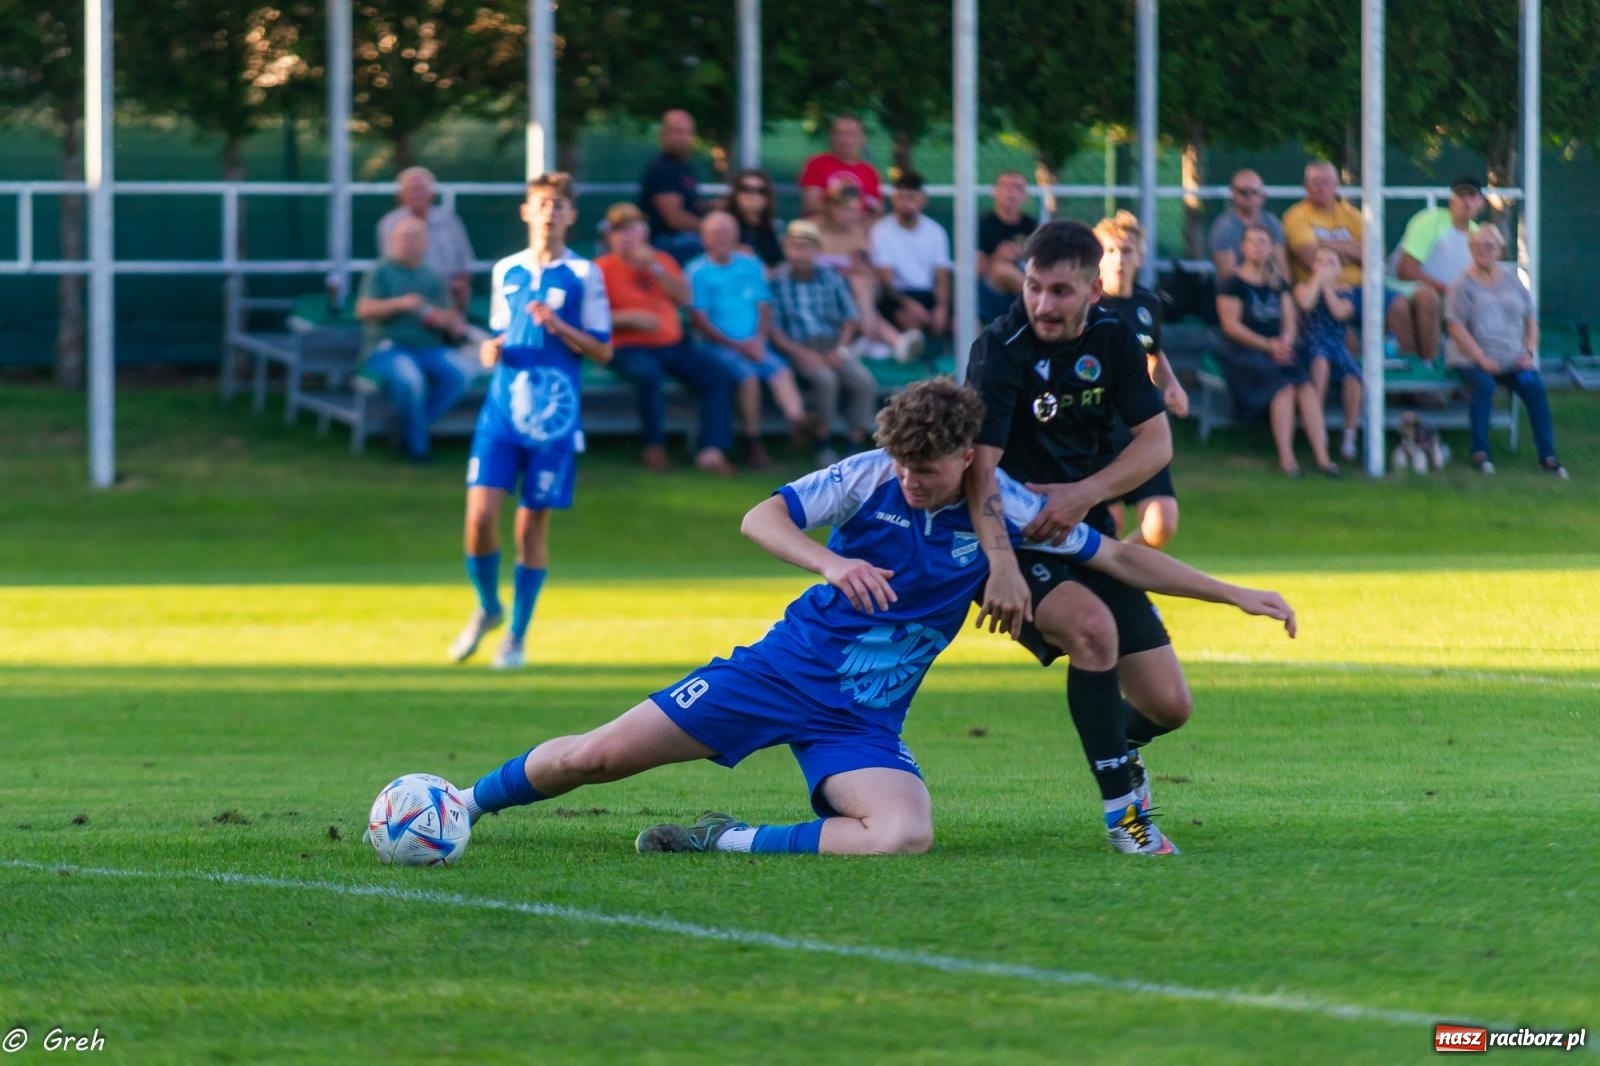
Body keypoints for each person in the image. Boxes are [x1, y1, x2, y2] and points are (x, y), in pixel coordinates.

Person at [445, 379, 1296, 857]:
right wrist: (832, 560)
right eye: (901, 464)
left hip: (862, 719)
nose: (909, 480)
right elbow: (759, 517)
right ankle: (462, 806)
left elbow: (1116, 559)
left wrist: (1234, 594)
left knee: (901, 836)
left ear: (966, 457)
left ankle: (724, 841)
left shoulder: (1001, 504)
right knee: (596, 757)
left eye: (925, 469)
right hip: (773, 674)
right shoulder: (865, 477)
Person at [963, 221, 1193, 853]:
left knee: (1169, 705)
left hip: (1084, 535)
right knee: (1094, 632)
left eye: (1060, 291)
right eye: (1034, 287)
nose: (1042, 304)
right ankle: (1126, 819)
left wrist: (1084, 494)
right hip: (1006, 542)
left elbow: (1156, 444)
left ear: (1094, 289)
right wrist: (1001, 567)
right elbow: (978, 469)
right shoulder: (999, 347)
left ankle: (1114, 756)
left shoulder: (1115, 340)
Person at [449, 173, 613, 671]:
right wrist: (488, 348)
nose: (549, 212)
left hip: (553, 419)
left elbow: (603, 350)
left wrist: (560, 326)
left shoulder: (585, 274)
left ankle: (516, 636)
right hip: (501, 411)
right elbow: (502, 332)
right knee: (478, 518)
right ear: (526, 211)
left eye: (558, 204)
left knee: (529, 527)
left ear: (571, 215)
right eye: (541, 203)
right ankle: (488, 606)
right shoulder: (508, 271)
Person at [594, 202, 735, 476]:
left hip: (671, 343)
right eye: (620, 231)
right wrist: (628, 318)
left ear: (644, 233)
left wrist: (655, 269)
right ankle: (653, 446)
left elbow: (684, 299)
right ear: (609, 237)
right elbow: (588, 319)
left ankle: (712, 450)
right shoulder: (600, 269)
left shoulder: (662, 261)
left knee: (717, 375)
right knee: (648, 374)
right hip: (627, 346)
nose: (627, 236)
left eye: (633, 229)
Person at [1093, 211, 1188, 549]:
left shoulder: (1148, 303)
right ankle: (1109, 581)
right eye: (1111, 251)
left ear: (1141, 258)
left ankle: (1117, 572)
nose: (1119, 259)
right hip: (1098, 428)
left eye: (1127, 251)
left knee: (1162, 523)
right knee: (1110, 522)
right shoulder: (1087, 306)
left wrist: (1172, 384)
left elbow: (1152, 353)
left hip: (1141, 427)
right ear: (1098, 259)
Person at [687, 211, 810, 470]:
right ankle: (753, 442)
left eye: (727, 233)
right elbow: (699, 320)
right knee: (748, 378)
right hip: (718, 346)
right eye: (716, 234)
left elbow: (763, 307)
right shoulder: (697, 271)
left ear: (736, 236)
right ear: (704, 238)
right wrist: (740, 346)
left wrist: (758, 339)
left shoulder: (750, 265)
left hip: (755, 342)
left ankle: (800, 426)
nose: (722, 239)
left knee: (781, 372)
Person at [1444, 225, 1567, 477]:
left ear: (1499, 249)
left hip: (1512, 359)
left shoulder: (1513, 280)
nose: (1482, 251)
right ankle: (1480, 453)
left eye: (1488, 246)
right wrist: (1481, 358)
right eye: (1476, 247)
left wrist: (1528, 353)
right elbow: (1455, 327)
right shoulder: (1461, 284)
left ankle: (1548, 456)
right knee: (1485, 386)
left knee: (1532, 384)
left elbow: (1531, 321)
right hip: (1472, 359)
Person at [1217, 223, 1337, 478]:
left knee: (1304, 385)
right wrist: (1268, 345)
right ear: (1243, 247)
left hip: (1277, 350)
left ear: (1272, 248)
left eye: (1263, 242)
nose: (1258, 246)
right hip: (1245, 353)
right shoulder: (1233, 282)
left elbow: (1290, 321)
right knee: (1283, 386)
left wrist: (1285, 342)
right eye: (1252, 241)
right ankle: (1287, 459)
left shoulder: (1277, 282)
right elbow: (1231, 326)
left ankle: (1323, 458)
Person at [353, 216, 468, 463]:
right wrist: (399, 304)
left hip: (428, 347)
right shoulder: (380, 271)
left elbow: (449, 316)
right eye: (402, 237)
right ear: (392, 241)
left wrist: (440, 319)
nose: (407, 243)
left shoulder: (431, 275)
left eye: (413, 237)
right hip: (387, 348)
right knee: (411, 378)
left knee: (461, 374)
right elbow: (362, 310)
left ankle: (405, 427)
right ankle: (418, 449)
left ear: (424, 242)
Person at [768, 219, 878, 463]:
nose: (800, 253)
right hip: (799, 346)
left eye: (805, 247)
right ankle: (823, 441)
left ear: (817, 250)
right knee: (825, 381)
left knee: (863, 381)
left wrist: (840, 347)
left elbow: (850, 318)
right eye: (794, 246)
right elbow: (774, 330)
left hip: (833, 342)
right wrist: (801, 353)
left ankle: (855, 442)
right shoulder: (777, 280)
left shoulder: (830, 276)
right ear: (786, 249)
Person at [1283, 160, 1416, 354]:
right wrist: (1354, 250)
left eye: (1326, 181)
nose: (1321, 187)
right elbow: (1310, 257)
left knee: (1399, 305)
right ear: (1306, 186)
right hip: (1321, 291)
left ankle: (1406, 372)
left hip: (1361, 288)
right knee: (1345, 336)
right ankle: (1354, 376)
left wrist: (1325, 244)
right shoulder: (1296, 216)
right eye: (1316, 182)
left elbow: (1377, 252)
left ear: (1336, 186)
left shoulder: (1350, 213)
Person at [817, 184, 923, 362]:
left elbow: (866, 269)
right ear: (830, 206)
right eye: (843, 208)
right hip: (821, 289)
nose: (848, 214)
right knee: (858, 284)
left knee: (861, 282)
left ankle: (870, 337)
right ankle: (890, 340)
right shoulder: (813, 228)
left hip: (854, 292)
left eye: (853, 209)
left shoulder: (859, 232)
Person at [1390, 177, 1486, 365]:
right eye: (1460, 195)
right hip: (1399, 286)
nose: (1466, 201)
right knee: (1429, 298)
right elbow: (1405, 270)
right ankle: (1428, 369)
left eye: (1472, 196)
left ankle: (1476, 372)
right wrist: (1448, 290)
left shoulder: (1479, 235)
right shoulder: (1429, 221)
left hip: (1450, 296)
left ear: (1481, 203)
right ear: (1451, 200)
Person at [1293, 245, 1363, 462]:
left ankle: (1349, 434)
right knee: (1320, 363)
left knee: (1354, 377)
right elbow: (1305, 303)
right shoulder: (1303, 287)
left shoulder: (1347, 292)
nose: (1324, 267)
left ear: (1340, 269)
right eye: (1320, 262)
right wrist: (1318, 282)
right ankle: (1317, 426)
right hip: (1312, 342)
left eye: (1330, 263)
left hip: (1337, 344)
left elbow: (1339, 312)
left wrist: (1326, 287)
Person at [376, 166, 477, 311]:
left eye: (420, 188)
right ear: (401, 194)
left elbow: (464, 262)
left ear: (432, 193)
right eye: (410, 189)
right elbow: (391, 265)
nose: (415, 194)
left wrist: (459, 286)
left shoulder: (449, 220)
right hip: (408, 298)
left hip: (449, 296)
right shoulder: (389, 224)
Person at [870, 171, 953, 339]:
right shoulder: (881, 231)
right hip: (897, 297)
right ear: (894, 199)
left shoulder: (936, 232)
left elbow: (942, 275)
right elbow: (886, 281)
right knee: (910, 320)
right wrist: (909, 305)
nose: (908, 203)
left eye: (913, 198)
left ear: (923, 199)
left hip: (928, 295)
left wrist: (941, 307)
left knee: (965, 322)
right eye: (902, 198)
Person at [639, 109, 708, 263]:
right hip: (667, 242)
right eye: (677, 132)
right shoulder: (662, 168)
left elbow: (692, 206)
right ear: (663, 134)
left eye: (687, 132)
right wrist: (712, 229)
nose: (683, 137)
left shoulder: (685, 166)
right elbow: (675, 219)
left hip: (687, 237)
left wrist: (717, 207)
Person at [1207, 168, 1288, 285]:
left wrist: (1284, 293)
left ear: (1262, 194)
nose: (1249, 196)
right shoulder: (1224, 228)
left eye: (1254, 192)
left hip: (1270, 289)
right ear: (1233, 193)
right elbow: (1228, 278)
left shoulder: (1272, 222)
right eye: (1243, 192)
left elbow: (1282, 266)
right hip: (1239, 294)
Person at [798, 113, 884, 217]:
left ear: (862, 138)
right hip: (821, 231)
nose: (843, 139)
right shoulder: (816, 163)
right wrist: (849, 212)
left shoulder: (870, 172)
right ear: (831, 136)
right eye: (838, 133)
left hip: (855, 232)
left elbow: (876, 211)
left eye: (849, 134)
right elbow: (811, 205)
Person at [728, 168, 784, 270]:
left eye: (760, 191)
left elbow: (778, 264)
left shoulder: (775, 229)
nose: (752, 195)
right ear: (735, 194)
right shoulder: (725, 226)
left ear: (768, 197)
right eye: (746, 189)